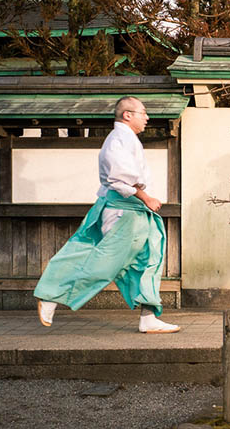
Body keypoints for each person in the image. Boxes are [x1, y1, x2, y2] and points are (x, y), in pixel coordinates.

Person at [34, 96, 179, 334]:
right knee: (105, 262)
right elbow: (119, 179)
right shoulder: (118, 140)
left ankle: (149, 316)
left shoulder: (127, 139)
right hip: (125, 209)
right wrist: (146, 198)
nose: (147, 117)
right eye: (143, 112)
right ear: (127, 115)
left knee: (148, 258)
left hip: (135, 210)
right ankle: (52, 296)